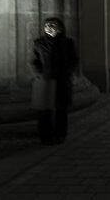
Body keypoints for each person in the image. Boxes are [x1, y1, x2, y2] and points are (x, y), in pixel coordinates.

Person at [31, 17, 78, 145]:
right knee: (44, 110)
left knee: (61, 109)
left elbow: (73, 60)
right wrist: (39, 73)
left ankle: (60, 134)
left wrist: (67, 72)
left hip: (61, 80)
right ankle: (45, 136)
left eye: (52, 25)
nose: (49, 27)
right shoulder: (38, 43)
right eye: (47, 25)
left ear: (60, 28)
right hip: (45, 80)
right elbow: (34, 61)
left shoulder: (68, 42)